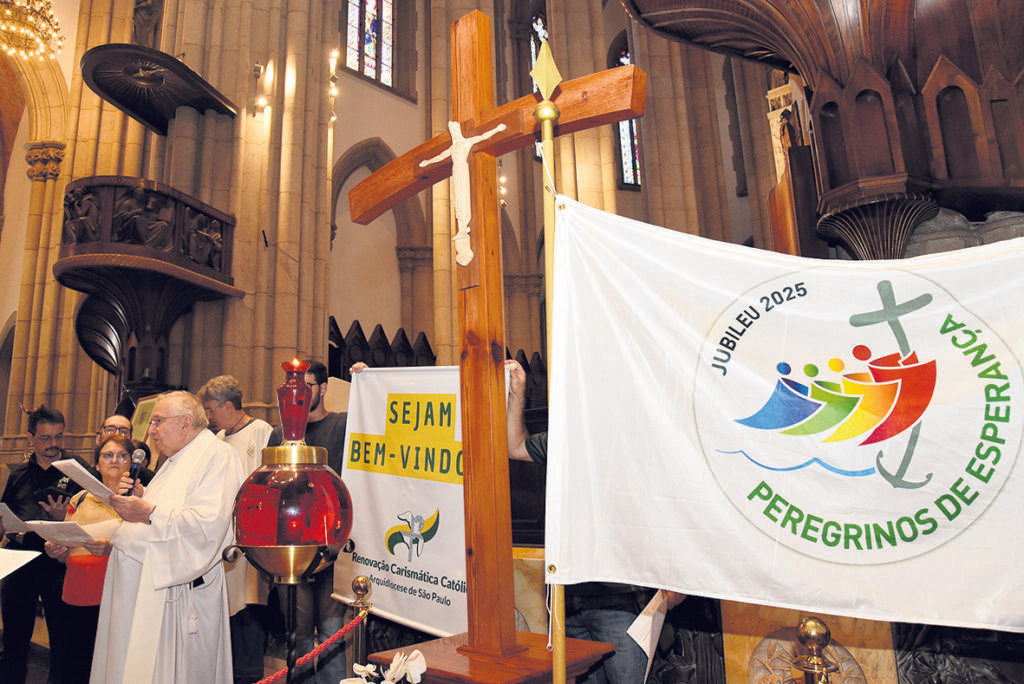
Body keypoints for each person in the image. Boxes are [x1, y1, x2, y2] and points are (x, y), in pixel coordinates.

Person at [506, 360, 653, 684]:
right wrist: (518, 393)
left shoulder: (636, 442)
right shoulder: (565, 441)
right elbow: (515, 447)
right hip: (568, 598)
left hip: (620, 600)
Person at [90, 390, 245, 683]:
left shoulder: (218, 456)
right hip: (145, 592)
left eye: (158, 421)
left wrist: (147, 512)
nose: (151, 430)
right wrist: (142, 498)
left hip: (179, 600)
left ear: (186, 423)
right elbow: (170, 510)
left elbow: (208, 527)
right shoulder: (176, 459)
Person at [267, 360, 351, 683]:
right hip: (293, 546)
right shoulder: (279, 435)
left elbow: (375, 422)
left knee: (332, 631)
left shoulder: (343, 425)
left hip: (333, 545)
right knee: (298, 634)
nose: (298, 394)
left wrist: (365, 378)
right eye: (293, 387)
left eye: (307, 387)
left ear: (324, 389)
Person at [0, 405, 92, 684]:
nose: (53, 445)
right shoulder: (18, 474)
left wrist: (62, 516)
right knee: (14, 638)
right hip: (21, 560)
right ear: (30, 438)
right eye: (45, 438)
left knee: (63, 642)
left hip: (60, 563)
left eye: (58, 437)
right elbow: (7, 510)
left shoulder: (76, 470)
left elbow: (95, 517)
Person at [198, 374, 274, 684]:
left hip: (251, 541)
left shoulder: (262, 433)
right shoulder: (218, 440)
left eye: (212, 409)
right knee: (226, 614)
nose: (209, 416)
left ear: (229, 406)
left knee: (248, 607)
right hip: (222, 539)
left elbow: (270, 486)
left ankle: (250, 676)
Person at [43, 434, 132, 683]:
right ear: (97, 464)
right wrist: (58, 552)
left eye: (122, 455)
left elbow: (144, 548)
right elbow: (69, 546)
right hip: (73, 593)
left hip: (111, 596)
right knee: (72, 667)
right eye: (107, 455)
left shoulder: (135, 502)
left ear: (133, 464)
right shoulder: (78, 499)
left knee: (103, 668)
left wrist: (111, 549)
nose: (114, 460)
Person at [95, 413, 154, 485]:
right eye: (110, 430)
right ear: (98, 438)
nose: (116, 434)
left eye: (124, 432)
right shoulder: (87, 479)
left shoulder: (147, 479)